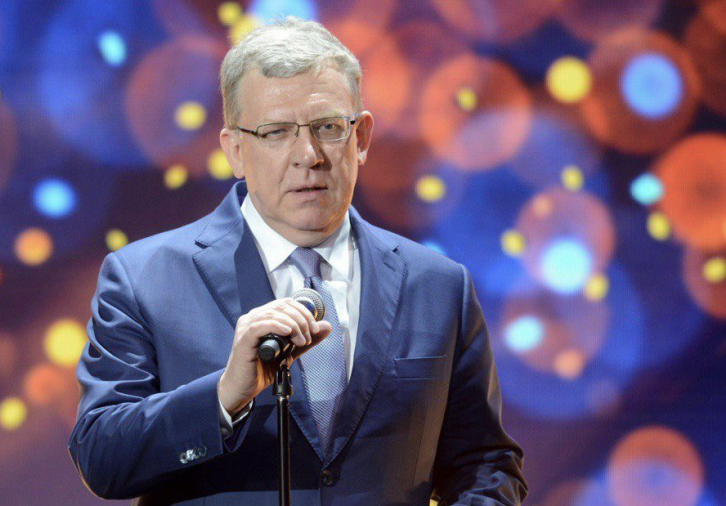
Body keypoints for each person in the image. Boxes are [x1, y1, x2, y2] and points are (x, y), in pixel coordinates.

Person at [68, 17, 527, 505]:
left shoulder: (438, 287)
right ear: (235, 150)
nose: (308, 155)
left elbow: (485, 465)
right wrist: (223, 397)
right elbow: (103, 459)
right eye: (276, 132)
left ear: (361, 137)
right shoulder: (144, 279)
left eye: (328, 127)